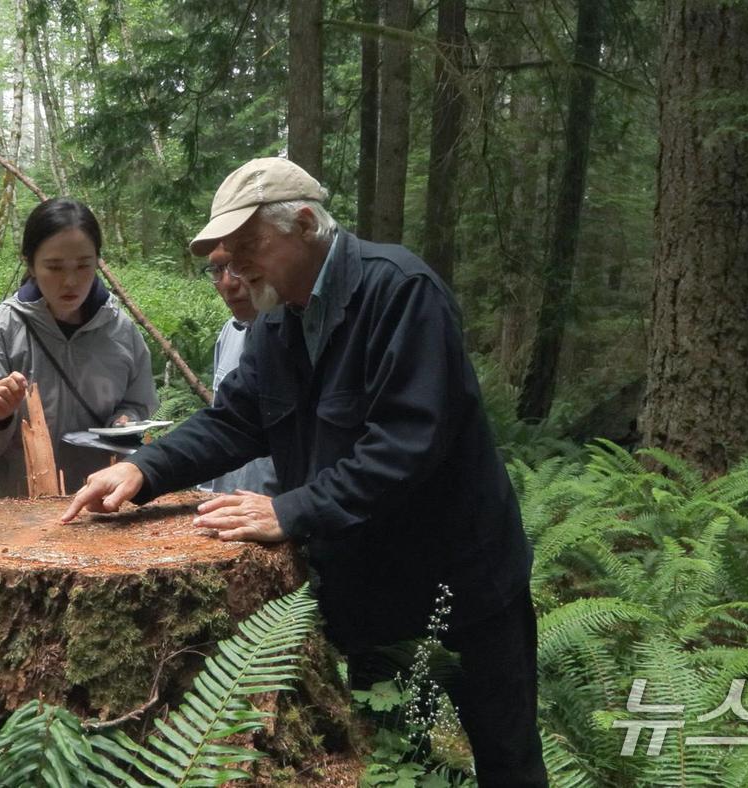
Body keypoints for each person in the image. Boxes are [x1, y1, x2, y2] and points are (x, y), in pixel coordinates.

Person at [61, 159, 546, 786]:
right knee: (383, 758)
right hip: (366, 593)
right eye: (225, 255)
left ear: (307, 224)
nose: (234, 270)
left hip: (465, 588)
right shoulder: (279, 320)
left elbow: (407, 443)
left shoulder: (399, 291)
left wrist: (289, 511)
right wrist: (144, 469)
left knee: (507, 762)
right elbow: (236, 420)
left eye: (248, 247)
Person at [0, 197, 159, 499]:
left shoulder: (120, 330)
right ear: (30, 264)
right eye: (54, 267)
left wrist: (126, 420)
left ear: (98, 261)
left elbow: (139, 403)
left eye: (84, 265)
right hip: (17, 511)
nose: (70, 281)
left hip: (102, 505)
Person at [197, 246, 278, 496]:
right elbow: (224, 424)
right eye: (217, 269)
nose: (228, 283)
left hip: (280, 518)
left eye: (235, 265)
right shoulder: (229, 333)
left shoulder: (300, 338)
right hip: (227, 514)